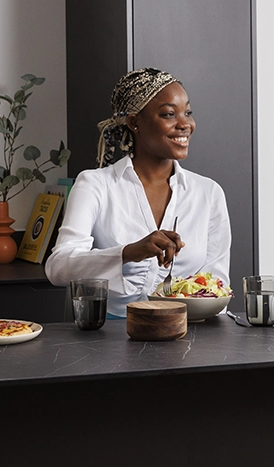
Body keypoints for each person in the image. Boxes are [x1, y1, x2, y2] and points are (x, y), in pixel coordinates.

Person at [45, 68, 231, 317]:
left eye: (187, 112)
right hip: (109, 338)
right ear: (134, 123)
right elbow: (58, 268)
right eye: (168, 114)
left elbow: (217, 286)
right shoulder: (95, 184)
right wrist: (129, 252)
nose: (185, 124)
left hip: (189, 334)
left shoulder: (208, 193)